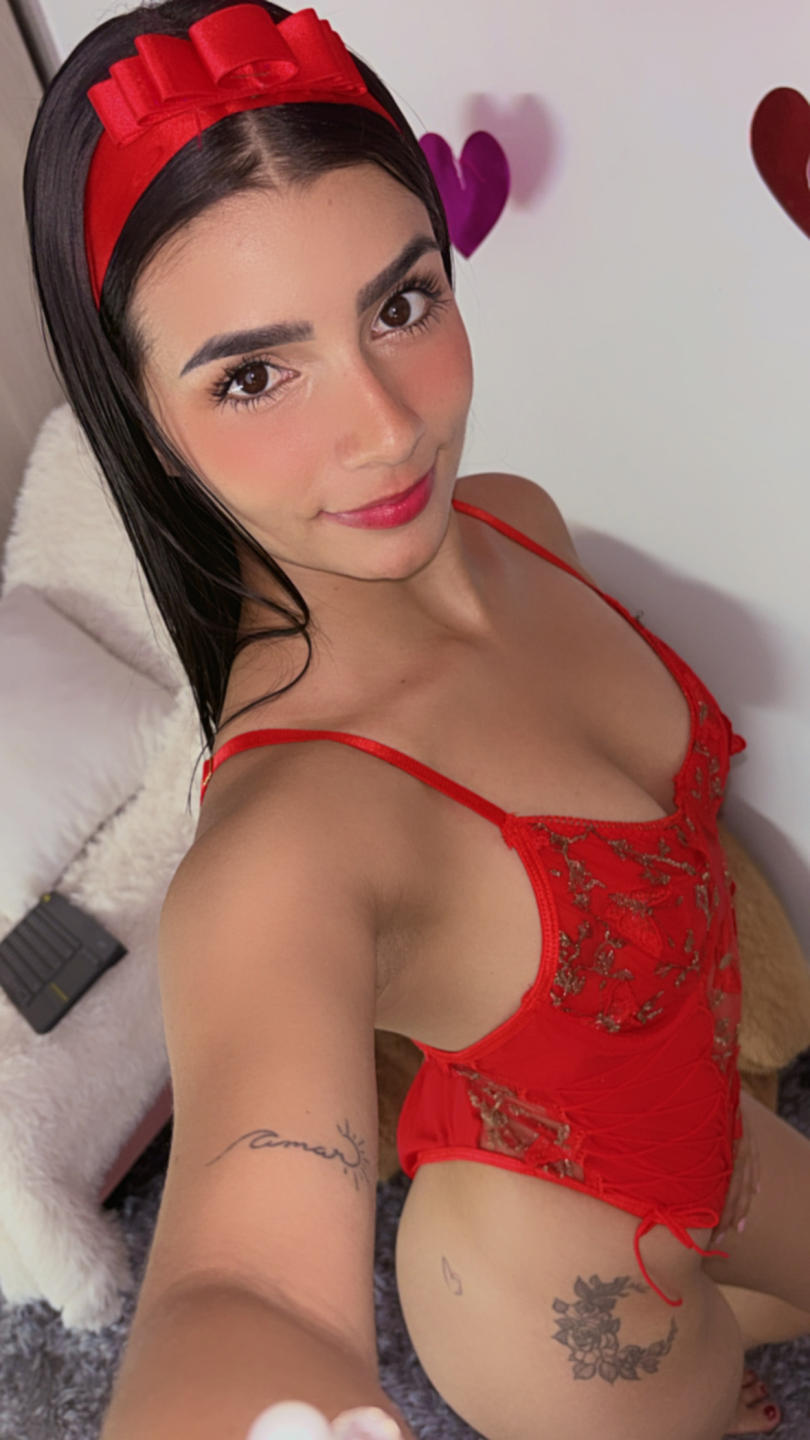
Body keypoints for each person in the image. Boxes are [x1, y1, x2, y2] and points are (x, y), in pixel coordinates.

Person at [22, 2, 810, 1437]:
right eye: (253, 375)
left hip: (716, 1136)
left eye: (401, 305)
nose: (388, 430)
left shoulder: (517, 520)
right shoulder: (289, 843)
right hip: (561, 1312)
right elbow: (243, 1283)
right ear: (143, 424)